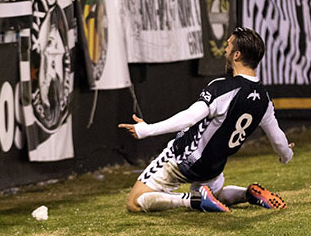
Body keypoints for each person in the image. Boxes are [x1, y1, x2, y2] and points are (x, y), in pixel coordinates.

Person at [121, 27, 293, 213]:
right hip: (213, 166)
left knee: (135, 202)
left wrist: (146, 130)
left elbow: (189, 117)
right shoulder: (264, 100)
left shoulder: (223, 88)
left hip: (183, 158)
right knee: (216, 196)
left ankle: (193, 200)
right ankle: (247, 194)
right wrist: (286, 155)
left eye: (228, 46)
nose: (225, 50)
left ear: (237, 55)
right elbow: (278, 139)